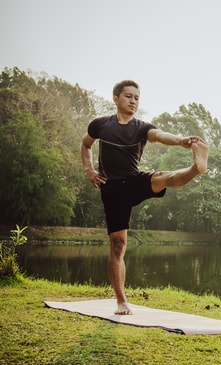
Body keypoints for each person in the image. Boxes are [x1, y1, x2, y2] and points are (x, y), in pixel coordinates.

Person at [80, 80, 208, 315]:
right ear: (116, 98)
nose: (133, 101)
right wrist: (89, 170)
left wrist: (180, 141)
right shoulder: (100, 125)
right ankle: (121, 301)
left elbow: (159, 136)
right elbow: (85, 145)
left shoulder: (141, 127)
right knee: (118, 246)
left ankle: (196, 168)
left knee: (161, 177)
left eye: (137, 98)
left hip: (133, 181)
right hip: (112, 189)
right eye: (128, 96)